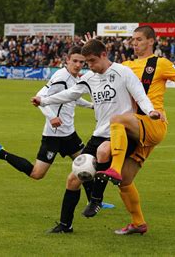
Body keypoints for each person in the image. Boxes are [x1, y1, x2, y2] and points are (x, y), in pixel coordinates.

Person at [86, 26, 175, 235]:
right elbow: (102, 67)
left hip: (152, 123)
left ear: (151, 41)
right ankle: (138, 223)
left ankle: (112, 169)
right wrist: (91, 48)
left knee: (117, 120)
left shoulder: (159, 63)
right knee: (125, 181)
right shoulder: (125, 65)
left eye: (139, 39)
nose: (134, 43)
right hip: (136, 130)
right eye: (133, 40)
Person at [31, 39, 162, 233]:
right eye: (87, 62)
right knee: (72, 180)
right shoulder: (90, 78)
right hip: (99, 133)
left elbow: (141, 95)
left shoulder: (123, 72)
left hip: (122, 134)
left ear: (103, 55)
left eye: (92, 61)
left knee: (103, 151)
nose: (89, 66)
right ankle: (65, 225)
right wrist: (44, 100)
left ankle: (96, 200)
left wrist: (150, 111)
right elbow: (71, 94)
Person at [0, 47, 99, 200]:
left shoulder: (75, 78)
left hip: (69, 133)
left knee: (86, 164)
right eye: (75, 61)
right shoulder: (61, 76)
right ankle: (1, 153)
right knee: (37, 174)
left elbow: (72, 97)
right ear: (67, 59)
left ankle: (94, 202)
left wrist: (90, 105)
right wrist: (51, 117)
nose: (78, 65)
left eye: (81, 62)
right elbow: (39, 97)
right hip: (54, 135)